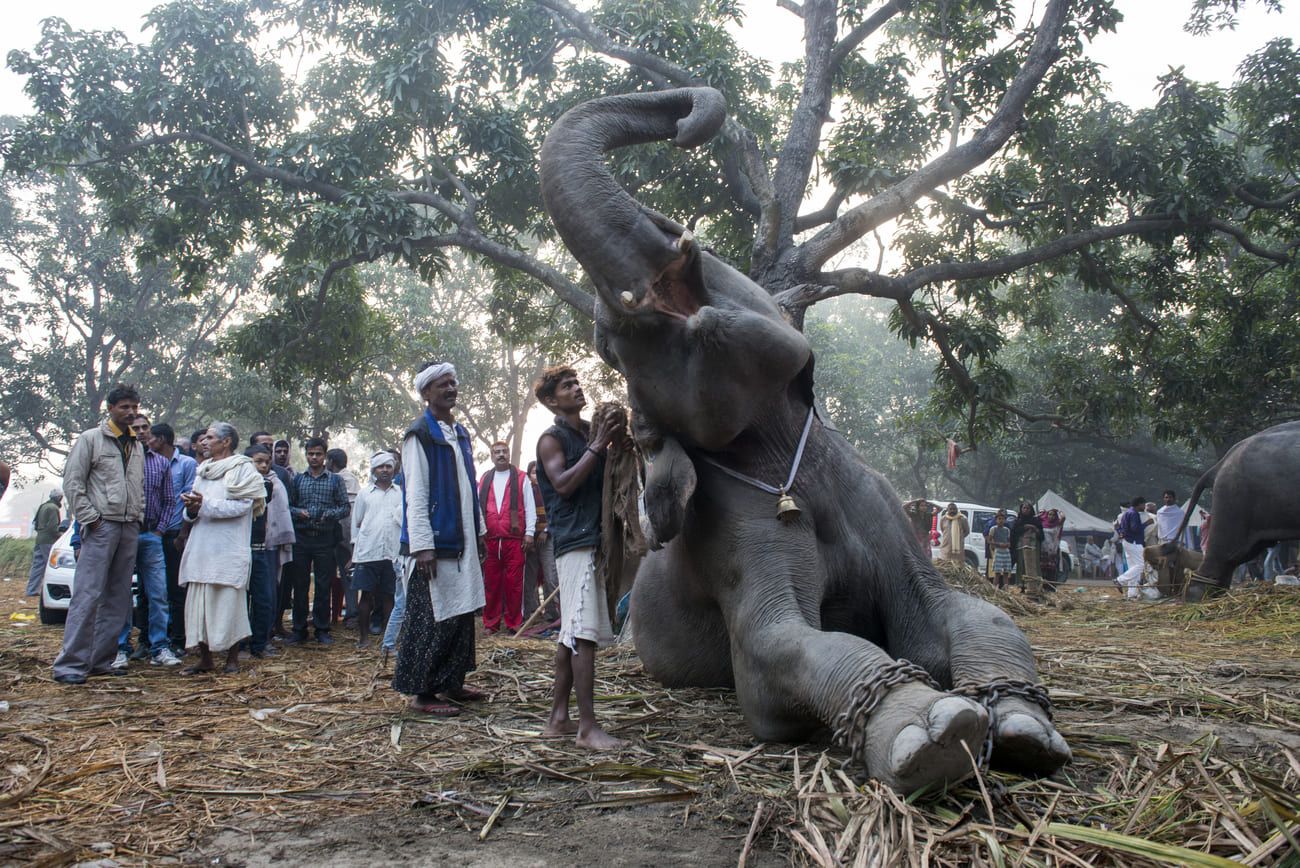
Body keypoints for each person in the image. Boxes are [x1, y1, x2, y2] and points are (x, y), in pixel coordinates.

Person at [534, 365, 625, 749]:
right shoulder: (551, 440)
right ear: (552, 400)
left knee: (569, 633)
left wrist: (614, 441)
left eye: (576, 382)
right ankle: (587, 728)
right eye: (566, 386)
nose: (576, 388)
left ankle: (558, 719)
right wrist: (597, 445)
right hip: (574, 542)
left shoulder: (589, 433)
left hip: (595, 538)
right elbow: (564, 484)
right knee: (583, 636)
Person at [394, 362, 487, 716]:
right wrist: (423, 545)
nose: (451, 388)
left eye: (453, 382)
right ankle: (422, 693)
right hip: (435, 542)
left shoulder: (459, 432)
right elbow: (415, 493)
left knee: (461, 613)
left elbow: (468, 485)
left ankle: (452, 682)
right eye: (442, 384)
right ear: (426, 393)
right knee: (431, 617)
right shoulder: (419, 434)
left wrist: (478, 531)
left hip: (461, 538)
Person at [52, 384, 145, 684]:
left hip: (129, 526)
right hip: (101, 526)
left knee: (118, 598)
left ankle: (101, 660)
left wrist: (138, 518)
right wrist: (91, 520)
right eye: (124, 407)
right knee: (87, 595)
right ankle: (70, 664)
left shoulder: (137, 444)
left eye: (134, 407)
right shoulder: (91, 439)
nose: (130, 412)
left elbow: (138, 487)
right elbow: (73, 483)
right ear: (111, 408)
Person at [178, 422, 265, 674]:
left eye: (210, 437)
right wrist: (192, 509)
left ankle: (232, 659)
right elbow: (194, 508)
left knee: (230, 603)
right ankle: (205, 660)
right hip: (202, 546)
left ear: (226, 442)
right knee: (200, 603)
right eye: (203, 438)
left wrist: (205, 505)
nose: (204, 442)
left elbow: (243, 506)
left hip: (228, 547)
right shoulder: (203, 469)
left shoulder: (243, 469)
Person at [116, 413, 181, 668]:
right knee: (120, 593)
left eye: (145, 428)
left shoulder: (161, 463)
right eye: (136, 428)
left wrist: (159, 531)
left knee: (158, 594)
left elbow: (169, 501)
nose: (141, 432)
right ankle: (120, 647)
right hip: (122, 534)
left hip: (151, 535)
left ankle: (159, 647)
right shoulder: (118, 459)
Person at [285, 437, 350, 645]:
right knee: (300, 586)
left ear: (325, 456)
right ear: (306, 455)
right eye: (310, 454)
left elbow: (344, 507)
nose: (314, 457)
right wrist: (299, 513)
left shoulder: (335, 480)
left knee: (323, 586)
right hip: (301, 539)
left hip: (325, 539)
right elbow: (288, 506)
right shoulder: (297, 479)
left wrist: (328, 514)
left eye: (318, 454)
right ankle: (299, 630)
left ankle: (322, 629)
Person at [148, 422, 197, 654]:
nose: (146, 441)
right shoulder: (146, 463)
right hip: (152, 533)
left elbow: (189, 498)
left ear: (162, 439)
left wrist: (183, 533)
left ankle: (178, 639)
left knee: (176, 589)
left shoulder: (187, 464)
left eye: (151, 437)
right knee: (151, 591)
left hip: (175, 533)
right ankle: (151, 641)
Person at [477, 441, 536, 634]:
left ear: (509, 454)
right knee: (491, 584)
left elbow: (529, 507)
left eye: (504, 451)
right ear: (492, 455)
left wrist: (529, 533)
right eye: (497, 452)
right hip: (490, 540)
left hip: (514, 539)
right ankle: (491, 624)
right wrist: (479, 534)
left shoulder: (521, 478)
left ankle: (513, 623)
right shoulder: (485, 478)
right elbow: (478, 509)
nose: (501, 454)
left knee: (514, 584)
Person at [351, 452, 403, 650]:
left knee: (391, 596)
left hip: (393, 553)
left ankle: (389, 639)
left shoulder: (400, 493)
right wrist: (355, 551)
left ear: (393, 470)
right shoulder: (365, 494)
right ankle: (363, 638)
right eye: (380, 467)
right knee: (366, 596)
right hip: (368, 551)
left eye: (388, 467)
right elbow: (357, 523)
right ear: (374, 470)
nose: (384, 470)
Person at [243, 445, 286, 658]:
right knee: (241, 600)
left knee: (264, 597)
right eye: (258, 461)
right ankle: (240, 644)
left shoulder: (267, 484)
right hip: (240, 547)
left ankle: (260, 643)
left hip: (261, 547)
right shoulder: (236, 483)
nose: (263, 465)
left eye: (266, 462)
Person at [523, 460, 560, 629]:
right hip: (530, 542)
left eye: (538, 472)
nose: (535, 475)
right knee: (529, 578)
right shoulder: (526, 491)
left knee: (550, 576)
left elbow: (556, 511)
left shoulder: (550, 489)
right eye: (532, 472)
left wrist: (546, 530)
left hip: (547, 539)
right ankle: (530, 613)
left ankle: (553, 613)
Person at [327, 448, 360, 625]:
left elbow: (349, 513)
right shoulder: (351, 480)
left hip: (344, 535)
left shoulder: (341, 479)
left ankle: (353, 613)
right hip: (336, 534)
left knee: (348, 573)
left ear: (331, 461)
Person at [26, 488, 64, 596]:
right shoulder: (53, 508)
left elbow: (35, 523)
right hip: (49, 541)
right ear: (59, 498)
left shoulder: (43, 506)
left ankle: (31, 590)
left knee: (37, 566)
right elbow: (53, 528)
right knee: (54, 566)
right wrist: (60, 536)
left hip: (40, 539)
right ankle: (54, 592)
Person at [1114, 495, 1148, 600]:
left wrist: (1121, 533)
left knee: (1133, 567)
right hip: (1134, 542)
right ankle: (1120, 580)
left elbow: (1118, 527)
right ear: (1140, 504)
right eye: (1144, 505)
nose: (1145, 507)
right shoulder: (1134, 514)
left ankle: (1131, 593)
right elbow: (1135, 528)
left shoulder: (1125, 514)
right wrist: (1146, 524)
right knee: (1141, 565)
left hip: (1127, 542)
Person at [1010, 501, 1044, 596]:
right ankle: (1021, 585)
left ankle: (1035, 585)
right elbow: (1014, 533)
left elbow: (1041, 535)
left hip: (1033, 547)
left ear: (1031, 509)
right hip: (1021, 546)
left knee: (1034, 565)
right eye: (1024, 508)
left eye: (1027, 508)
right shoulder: (1018, 521)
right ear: (1021, 509)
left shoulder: (1036, 521)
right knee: (1021, 564)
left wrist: (1035, 529)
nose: (1025, 510)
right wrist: (1025, 527)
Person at [987, 509, 1013, 589]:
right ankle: (994, 589)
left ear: (1005, 520)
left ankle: (1006, 588)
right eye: (999, 519)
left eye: (1003, 519)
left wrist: (1007, 545)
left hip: (1006, 552)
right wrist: (998, 544)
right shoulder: (993, 529)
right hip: (998, 551)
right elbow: (989, 540)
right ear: (996, 520)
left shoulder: (1007, 530)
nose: (1001, 521)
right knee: (997, 572)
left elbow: (1009, 542)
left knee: (1006, 572)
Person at [1039, 507, 1064, 587]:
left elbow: (1063, 517)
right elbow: (1037, 517)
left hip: (1052, 551)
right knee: (1042, 569)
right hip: (1043, 550)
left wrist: (1059, 510)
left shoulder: (1057, 524)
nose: (1051, 516)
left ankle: (1051, 587)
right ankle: (1042, 587)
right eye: (1049, 514)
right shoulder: (1043, 523)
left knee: (1051, 570)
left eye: (1053, 515)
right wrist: (1042, 513)